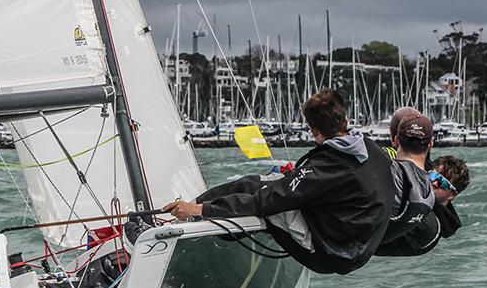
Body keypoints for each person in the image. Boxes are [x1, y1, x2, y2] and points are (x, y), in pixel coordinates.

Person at [164, 88, 394, 275]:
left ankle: (181, 225)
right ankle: (191, 219)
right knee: (265, 184)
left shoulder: (328, 166)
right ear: (347, 120)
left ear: (314, 132)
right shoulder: (373, 149)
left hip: (329, 254)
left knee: (254, 190)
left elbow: (268, 201)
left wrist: (202, 208)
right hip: (356, 248)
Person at [376, 154, 469, 256]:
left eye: (443, 183)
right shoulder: (422, 189)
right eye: (434, 176)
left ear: (452, 195)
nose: (434, 182)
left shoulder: (430, 226)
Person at [380, 113, 436, 244]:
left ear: (396, 140)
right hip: (375, 243)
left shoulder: (388, 172)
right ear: (430, 145)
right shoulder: (430, 195)